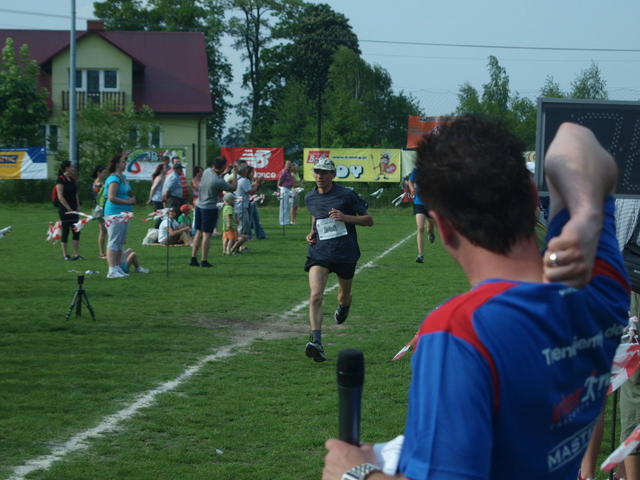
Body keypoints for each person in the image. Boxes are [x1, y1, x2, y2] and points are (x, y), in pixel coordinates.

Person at [322, 116, 630, 480]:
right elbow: (574, 137)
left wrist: (356, 472)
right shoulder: (596, 286)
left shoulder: (460, 331)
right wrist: (586, 216)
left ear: (442, 226)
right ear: (533, 198)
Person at [304, 158, 373, 362]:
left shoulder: (347, 195)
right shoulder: (310, 197)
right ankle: (316, 341)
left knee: (343, 296)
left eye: (324, 172)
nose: (320, 176)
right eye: (317, 172)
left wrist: (346, 217)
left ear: (333, 175)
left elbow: (369, 220)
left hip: (345, 253)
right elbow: (316, 217)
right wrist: (312, 232)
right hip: (319, 252)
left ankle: (344, 306)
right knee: (315, 295)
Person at [190, 156, 236, 268]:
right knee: (207, 235)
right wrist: (235, 174)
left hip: (199, 206)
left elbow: (216, 178)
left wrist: (224, 173)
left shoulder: (207, 171)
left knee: (198, 232)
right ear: (223, 166)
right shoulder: (217, 181)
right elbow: (233, 188)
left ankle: (193, 258)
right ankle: (204, 260)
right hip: (209, 209)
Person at [104, 153, 136, 279]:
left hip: (124, 214)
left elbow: (127, 191)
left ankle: (117, 267)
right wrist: (128, 202)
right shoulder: (114, 179)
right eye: (123, 161)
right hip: (114, 214)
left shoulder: (123, 177)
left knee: (120, 242)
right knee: (114, 241)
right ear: (117, 164)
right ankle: (111, 269)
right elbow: (111, 197)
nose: (125, 163)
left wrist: (132, 198)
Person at [54, 160, 83, 261]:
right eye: (71, 166)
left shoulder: (72, 179)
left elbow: (76, 194)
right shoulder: (60, 180)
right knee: (65, 231)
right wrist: (68, 208)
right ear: (66, 168)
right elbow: (60, 196)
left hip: (74, 209)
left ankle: (76, 254)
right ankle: (65, 255)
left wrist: (78, 205)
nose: (73, 168)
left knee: (76, 230)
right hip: (64, 210)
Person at [407, 167, 435, 263]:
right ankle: (420, 255)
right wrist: (412, 188)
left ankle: (431, 233)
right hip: (418, 202)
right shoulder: (416, 170)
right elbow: (410, 181)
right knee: (420, 228)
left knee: (429, 227)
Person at [234, 164, 263, 250]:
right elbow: (251, 192)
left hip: (239, 206)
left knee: (242, 226)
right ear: (244, 171)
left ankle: (239, 246)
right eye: (247, 170)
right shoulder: (244, 180)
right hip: (242, 206)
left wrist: (256, 184)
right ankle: (238, 247)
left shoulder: (240, 179)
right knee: (243, 227)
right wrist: (258, 183)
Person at [91, 164, 108, 259]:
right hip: (99, 209)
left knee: (106, 230)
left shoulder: (103, 182)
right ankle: (102, 253)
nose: (105, 174)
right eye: (104, 172)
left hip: (104, 208)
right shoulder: (97, 183)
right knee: (103, 230)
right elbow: (98, 196)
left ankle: (106, 252)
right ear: (99, 173)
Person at [278, 160, 295, 225]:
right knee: (284, 206)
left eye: (290, 164)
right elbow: (280, 180)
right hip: (284, 189)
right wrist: (279, 188)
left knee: (287, 206)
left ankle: (287, 221)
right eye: (288, 164)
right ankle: (283, 222)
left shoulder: (289, 172)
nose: (289, 166)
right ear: (285, 165)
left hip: (288, 189)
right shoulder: (284, 172)